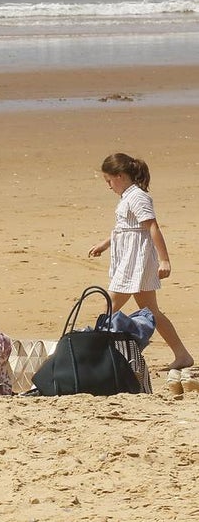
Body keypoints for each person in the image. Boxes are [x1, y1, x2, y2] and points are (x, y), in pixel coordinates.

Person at [88, 152, 193, 370]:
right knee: (151, 311)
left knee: (109, 306)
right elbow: (123, 228)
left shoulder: (137, 197)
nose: (108, 186)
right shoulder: (127, 197)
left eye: (109, 181)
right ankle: (182, 355)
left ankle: (95, 357)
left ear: (119, 176)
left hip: (135, 262)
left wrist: (164, 260)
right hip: (132, 260)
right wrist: (105, 244)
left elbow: (152, 227)